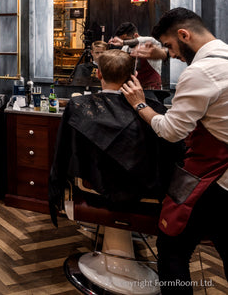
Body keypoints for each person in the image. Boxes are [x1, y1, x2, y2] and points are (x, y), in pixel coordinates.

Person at [120, 8, 228, 293]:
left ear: (184, 34)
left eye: (170, 46)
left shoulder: (200, 72)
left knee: (171, 249)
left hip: (214, 178)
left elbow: (170, 131)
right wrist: (160, 53)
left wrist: (140, 104)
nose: (173, 55)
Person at [49, 50, 182, 225]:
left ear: (98, 73)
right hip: (144, 191)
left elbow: (62, 154)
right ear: (134, 75)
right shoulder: (155, 111)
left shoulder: (78, 106)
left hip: (92, 188)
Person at [109, 21, 167, 90]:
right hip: (134, 87)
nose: (124, 43)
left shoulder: (150, 42)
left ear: (136, 35)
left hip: (152, 87)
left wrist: (123, 42)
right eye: (122, 40)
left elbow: (141, 40)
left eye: (126, 39)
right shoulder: (125, 48)